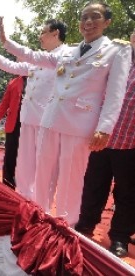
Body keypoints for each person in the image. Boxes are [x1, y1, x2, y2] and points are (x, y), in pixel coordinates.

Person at [0, 1, 132, 226]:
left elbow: (115, 94)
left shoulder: (117, 51)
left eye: (95, 17)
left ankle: (63, 226)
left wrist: (104, 127)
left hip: (80, 125)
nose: (88, 22)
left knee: (71, 179)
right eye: (84, 17)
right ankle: (36, 220)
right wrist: (6, 42)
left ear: (107, 22)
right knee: (42, 174)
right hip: (50, 120)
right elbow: (34, 56)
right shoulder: (68, 51)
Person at [0, 18, 68, 199]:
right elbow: (14, 66)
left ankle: (41, 204)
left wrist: (5, 40)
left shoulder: (65, 55)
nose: (40, 36)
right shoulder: (38, 60)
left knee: (44, 165)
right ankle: (23, 199)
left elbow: (30, 55)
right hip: (28, 118)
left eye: (43, 32)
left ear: (55, 33)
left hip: (47, 121)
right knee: (25, 163)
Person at [75, 29, 135, 257]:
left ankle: (119, 237)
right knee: (93, 186)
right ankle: (85, 226)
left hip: (130, 143)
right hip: (101, 139)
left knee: (127, 194)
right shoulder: (115, 58)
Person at [0, 75, 26, 188]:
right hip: (14, 124)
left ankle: (23, 188)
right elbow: (4, 103)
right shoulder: (14, 82)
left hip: (31, 125)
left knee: (26, 158)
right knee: (10, 156)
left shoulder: (40, 79)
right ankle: (7, 187)